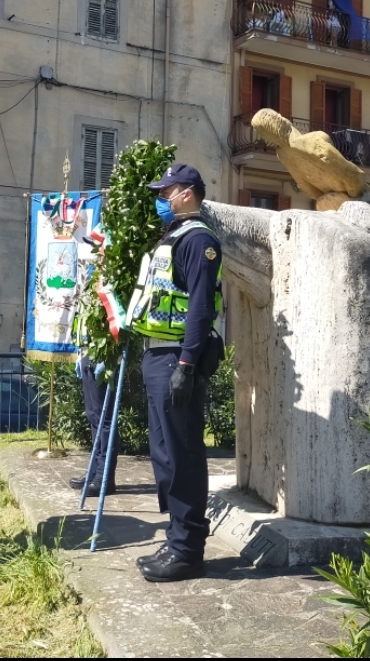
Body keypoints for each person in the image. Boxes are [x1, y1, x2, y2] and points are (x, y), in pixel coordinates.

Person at [126, 163, 223, 583]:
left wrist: (186, 364)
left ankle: (188, 550)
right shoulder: (173, 238)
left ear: (187, 193)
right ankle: (176, 537)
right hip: (157, 356)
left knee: (183, 455)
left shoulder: (199, 240)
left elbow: (201, 307)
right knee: (164, 454)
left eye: (166, 192)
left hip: (175, 360)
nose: (161, 200)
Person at [67, 323, 117, 496]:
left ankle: (105, 476)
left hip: (103, 353)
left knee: (105, 420)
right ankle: (94, 470)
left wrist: (110, 355)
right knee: (93, 416)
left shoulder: (105, 294)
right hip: (87, 352)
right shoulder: (84, 295)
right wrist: (80, 353)